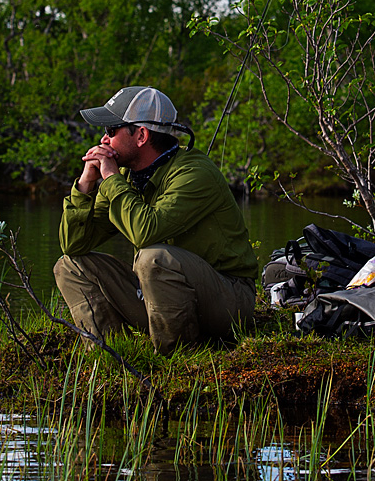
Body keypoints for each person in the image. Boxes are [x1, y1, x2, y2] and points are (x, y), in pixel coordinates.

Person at [54, 85, 259, 354]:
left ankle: (175, 359)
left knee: (153, 258)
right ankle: (114, 356)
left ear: (141, 135)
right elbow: (74, 245)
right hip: (165, 296)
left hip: (229, 301)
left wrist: (112, 180)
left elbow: (145, 232)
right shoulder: (127, 177)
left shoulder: (194, 173)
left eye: (111, 130)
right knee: (70, 266)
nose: (104, 140)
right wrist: (85, 185)